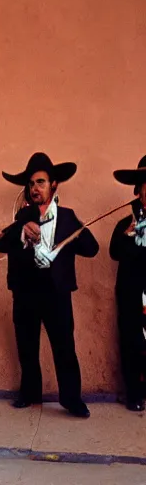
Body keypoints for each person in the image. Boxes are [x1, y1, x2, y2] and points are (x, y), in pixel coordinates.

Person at [0, 152, 99, 418]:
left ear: (54, 185)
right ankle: (29, 394)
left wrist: (77, 233)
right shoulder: (21, 217)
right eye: (30, 184)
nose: (34, 188)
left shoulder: (67, 217)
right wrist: (20, 231)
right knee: (27, 346)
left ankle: (72, 399)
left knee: (64, 347)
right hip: (26, 291)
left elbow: (91, 249)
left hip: (57, 292)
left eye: (40, 182)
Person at [110, 155, 146, 411]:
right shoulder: (126, 224)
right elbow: (114, 251)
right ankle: (134, 393)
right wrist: (130, 235)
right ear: (138, 191)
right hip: (132, 293)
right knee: (132, 342)